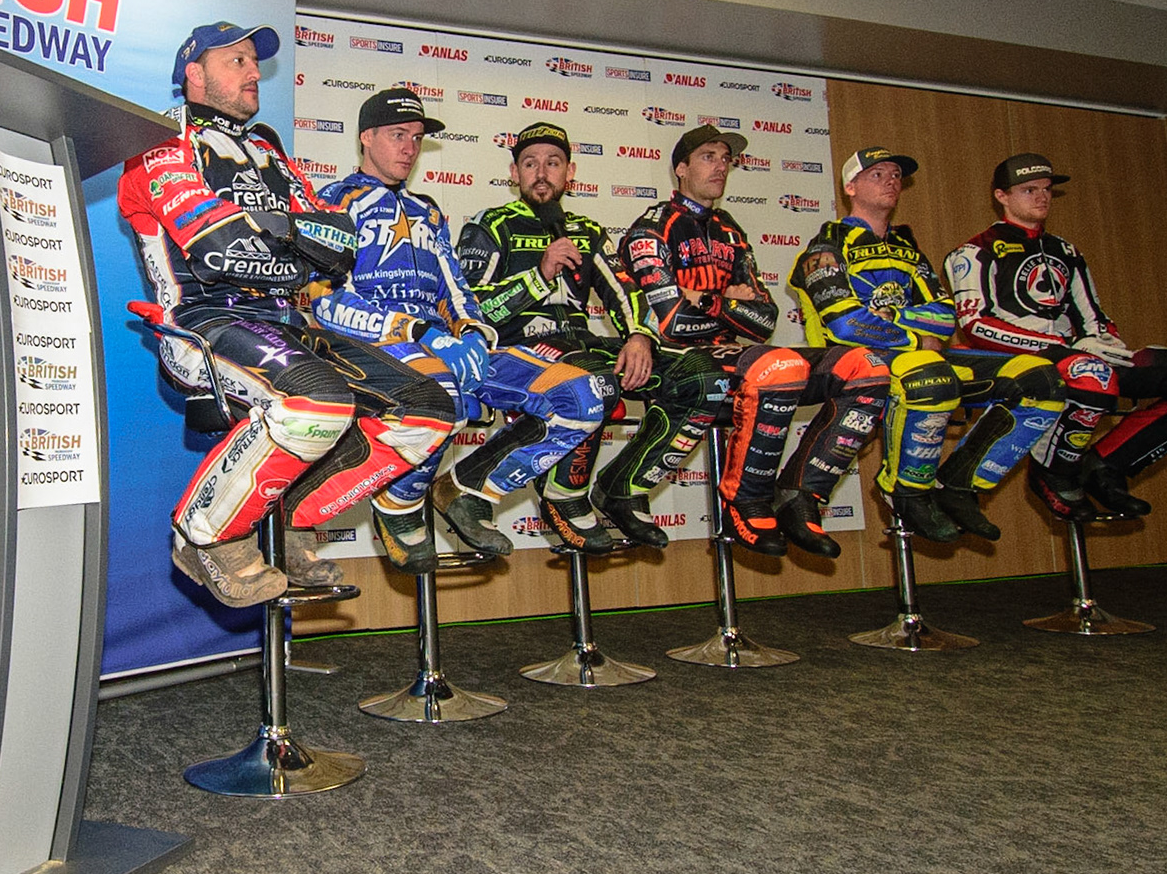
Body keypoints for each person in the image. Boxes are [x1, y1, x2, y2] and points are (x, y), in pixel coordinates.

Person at [119, 28, 456, 604]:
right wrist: (297, 247)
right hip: (202, 322)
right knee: (315, 401)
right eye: (237, 61)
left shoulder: (269, 152)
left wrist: (286, 237)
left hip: (288, 326)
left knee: (427, 411)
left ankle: (295, 517)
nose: (254, 72)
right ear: (194, 73)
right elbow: (218, 249)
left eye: (255, 61)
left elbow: (342, 243)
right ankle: (205, 536)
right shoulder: (160, 144)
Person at [312, 98, 610, 569]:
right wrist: (416, 330)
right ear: (366, 137)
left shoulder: (427, 211)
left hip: (439, 345)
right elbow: (322, 300)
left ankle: (468, 488)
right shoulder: (333, 200)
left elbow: (458, 293)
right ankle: (401, 501)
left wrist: (471, 332)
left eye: (416, 137)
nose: (410, 148)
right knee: (445, 391)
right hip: (372, 347)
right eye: (397, 134)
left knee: (584, 396)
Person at [455, 121, 728, 552]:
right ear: (514, 174)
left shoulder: (587, 230)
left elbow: (627, 294)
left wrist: (639, 336)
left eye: (553, 163)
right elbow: (469, 312)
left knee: (705, 378)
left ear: (570, 173)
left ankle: (623, 486)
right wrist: (539, 275)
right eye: (530, 164)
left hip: (580, 343)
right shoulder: (491, 225)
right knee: (594, 378)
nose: (541, 172)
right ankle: (562, 495)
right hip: (516, 351)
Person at [621, 126, 889, 557]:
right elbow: (670, 321)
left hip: (744, 355)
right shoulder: (651, 228)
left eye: (726, 158)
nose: (721, 165)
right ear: (681, 169)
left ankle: (801, 493)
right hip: (684, 363)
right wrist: (726, 301)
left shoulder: (730, 230)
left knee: (868, 365)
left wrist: (704, 299)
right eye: (709, 156)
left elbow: (763, 319)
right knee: (778, 367)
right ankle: (745, 499)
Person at [789, 148, 1065, 542]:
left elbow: (944, 315)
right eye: (877, 174)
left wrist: (892, 320)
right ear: (850, 187)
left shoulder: (907, 250)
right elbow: (846, 324)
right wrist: (917, 335)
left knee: (1040, 379)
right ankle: (907, 491)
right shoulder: (827, 244)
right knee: (929, 375)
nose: (890, 181)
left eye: (896, 175)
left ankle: (960, 484)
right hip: (855, 364)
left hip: (921, 356)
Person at [945, 153, 1167, 519]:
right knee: (1091, 375)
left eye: (1047, 190)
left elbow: (1092, 315)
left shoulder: (1066, 251)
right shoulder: (974, 251)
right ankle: (1054, 472)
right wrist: (1058, 349)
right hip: (1021, 361)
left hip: (1080, 354)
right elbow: (976, 325)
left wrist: (1104, 342)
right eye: (1029, 189)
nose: (1041, 197)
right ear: (1001, 196)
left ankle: (1105, 466)